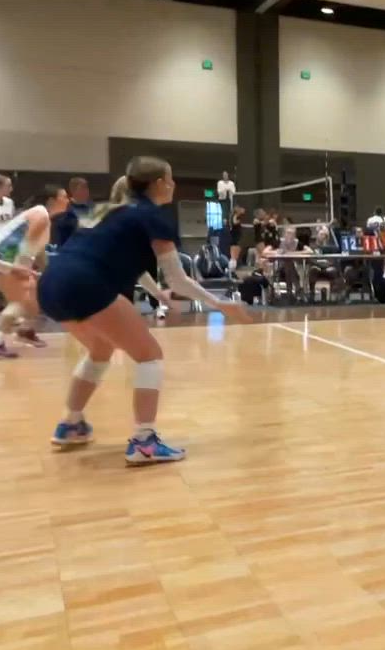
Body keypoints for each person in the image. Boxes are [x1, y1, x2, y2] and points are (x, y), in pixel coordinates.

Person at [35, 157, 251, 464]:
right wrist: (220, 303)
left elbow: (115, 257)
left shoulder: (105, 210)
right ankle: (144, 442)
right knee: (149, 354)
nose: (173, 185)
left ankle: (71, 424)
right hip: (87, 284)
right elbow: (178, 279)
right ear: (160, 183)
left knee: (100, 349)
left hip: (51, 284)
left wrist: (156, 293)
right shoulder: (153, 217)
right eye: (171, 179)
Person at [0, 184, 70, 359]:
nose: (68, 200)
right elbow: (26, 242)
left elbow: (39, 252)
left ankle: (25, 331)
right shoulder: (41, 214)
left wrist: (50, 273)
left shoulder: (44, 217)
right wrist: (22, 269)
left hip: (5, 257)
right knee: (21, 301)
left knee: (33, 296)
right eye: (64, 196)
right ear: (52, 200)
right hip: (5, 258)